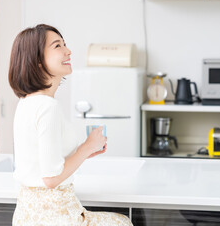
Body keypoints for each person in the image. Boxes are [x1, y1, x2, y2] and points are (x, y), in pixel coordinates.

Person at [9, 24, 133, 226]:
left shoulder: (26, 103)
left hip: (26, 215)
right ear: (38, 61)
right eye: (58, 46)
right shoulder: (48, 107)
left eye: (64, 44)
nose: (68, 51)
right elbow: (51, 178)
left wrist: (83, 151)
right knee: (122, 222)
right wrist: (86, 147)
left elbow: (41, 162)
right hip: (56, 216)